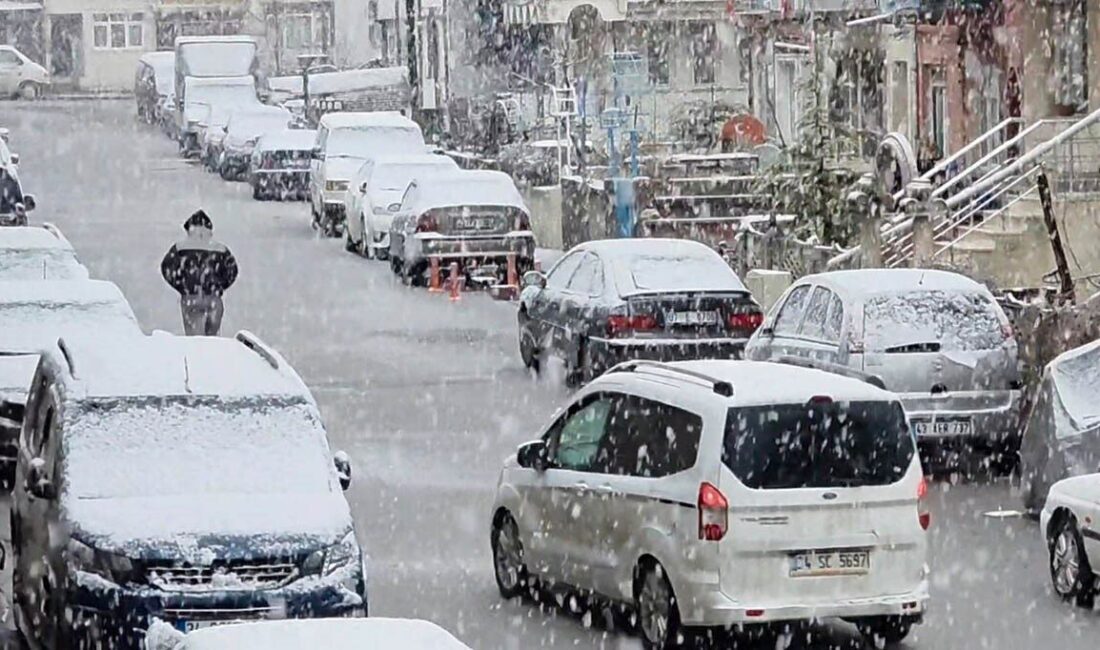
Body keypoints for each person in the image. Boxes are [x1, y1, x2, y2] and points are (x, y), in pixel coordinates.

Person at [160, 210, 239, 336]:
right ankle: (211, 355)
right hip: (213, 298)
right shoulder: (220, 248)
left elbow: (166, 267)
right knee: (212, 340)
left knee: (194, 340)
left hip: (190, 297)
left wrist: (182, 286)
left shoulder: (180, 247)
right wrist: (219, 287)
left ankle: (196, 355)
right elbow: (232, 271)